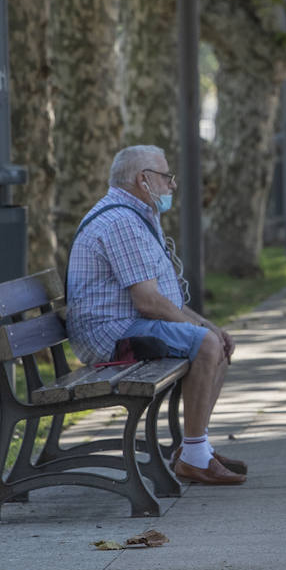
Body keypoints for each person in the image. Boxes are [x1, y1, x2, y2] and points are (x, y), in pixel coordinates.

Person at [66, 145, 246, 485]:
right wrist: (202, 332)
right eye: (166, 177)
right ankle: (194, 455)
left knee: (214, 341)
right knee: (206, 345)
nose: (172, 185)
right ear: (143, 179)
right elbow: (148, 301)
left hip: (128, 326)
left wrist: (208, 325)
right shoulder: (120, 222)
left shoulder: (137, 216)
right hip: (112, 337)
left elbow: (163, 299)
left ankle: (197, 450)